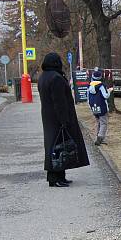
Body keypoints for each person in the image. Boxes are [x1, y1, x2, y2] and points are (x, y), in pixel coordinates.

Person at [37, 52, 90, 187]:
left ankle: (59, 176)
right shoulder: (56, 78)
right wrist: (64, 121)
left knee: (54, 146)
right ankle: (55, 178)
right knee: (59, 147)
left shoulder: (43, 77)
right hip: (57, 118)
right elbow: (59, 102)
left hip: (48, 117)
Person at [87, 67, 110, 145]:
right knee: (104, 123)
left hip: (94, 107)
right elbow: (106, 96)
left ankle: (98, 137)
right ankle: (100, 137)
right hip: (102, 107)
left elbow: (88, 98)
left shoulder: (89, 86)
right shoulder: (101, 86)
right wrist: (109, 91)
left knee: (98, 122)